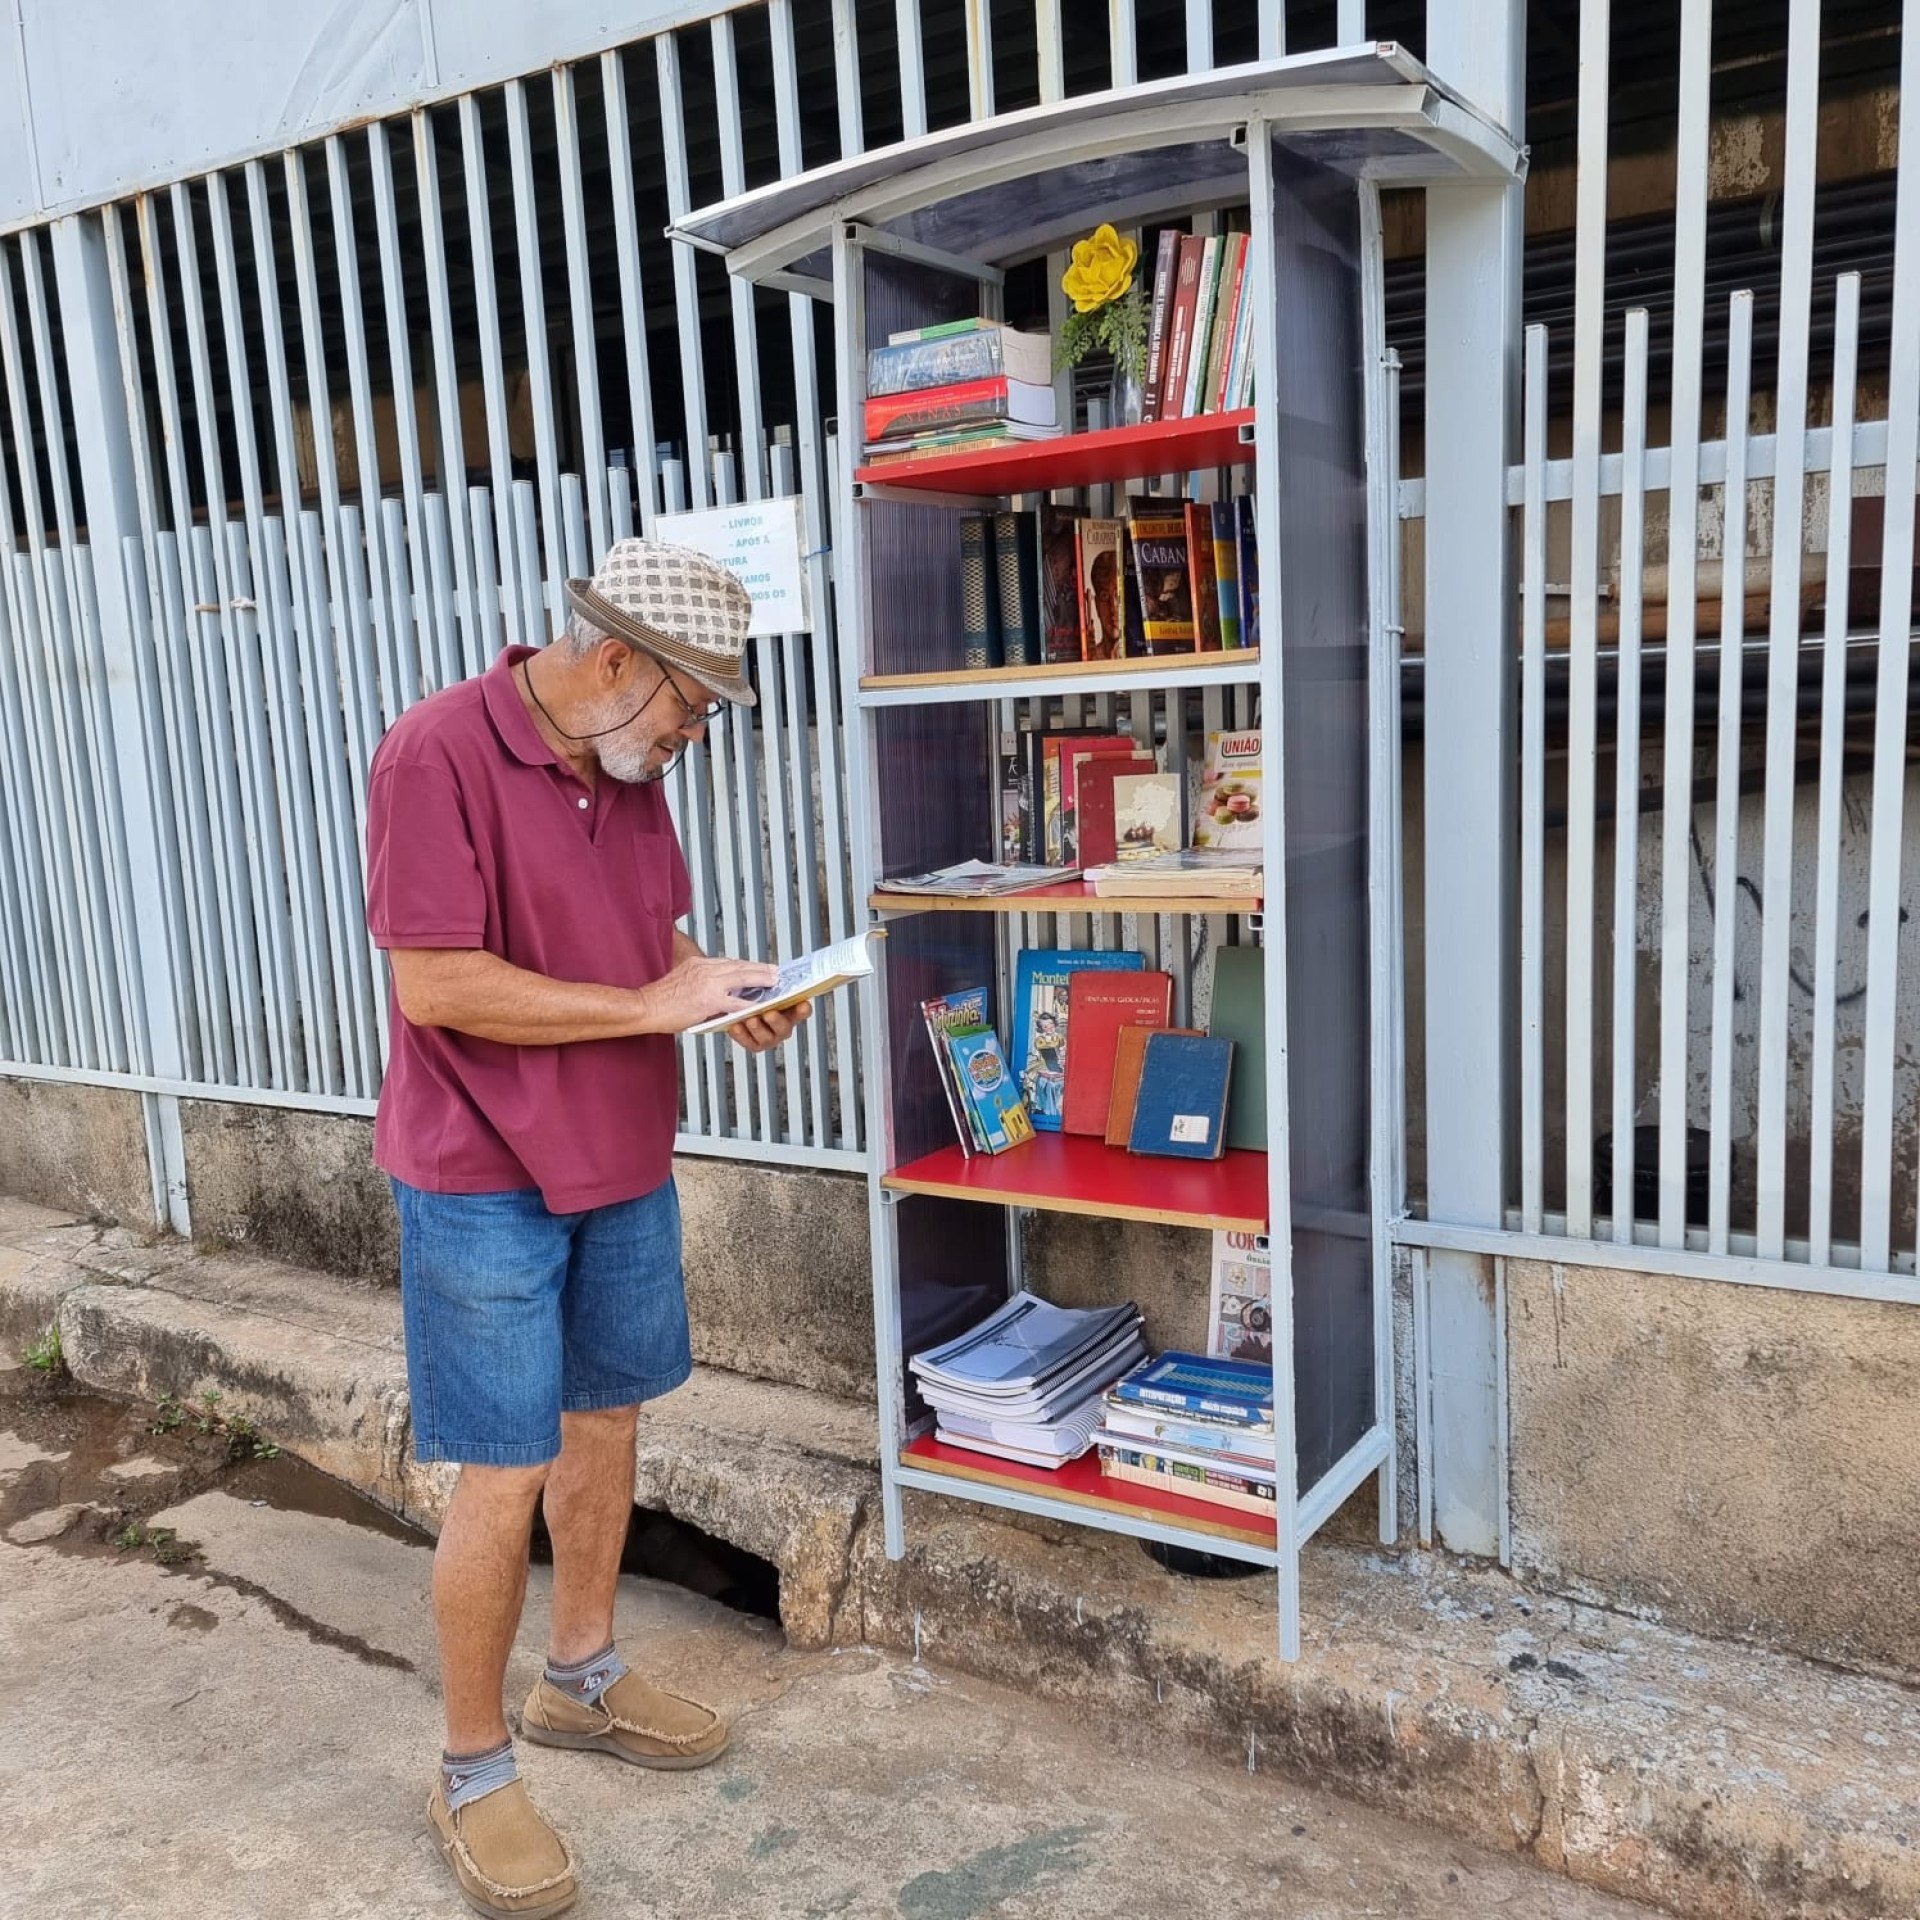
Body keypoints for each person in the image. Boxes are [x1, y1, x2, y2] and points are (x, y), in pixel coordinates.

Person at [365, 538, 809, 1919]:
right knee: (504, 1468)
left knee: (609, 1420)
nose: (691, 736)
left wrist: (730, 995)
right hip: (481, 1173)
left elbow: (651, 955)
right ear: (613, 662)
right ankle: (475, 1767)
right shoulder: (432, 755)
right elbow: (437, 983)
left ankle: (582, 1680)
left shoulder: (629, 772)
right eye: (688, 707)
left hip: (620, 1160)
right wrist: (645, 1010)